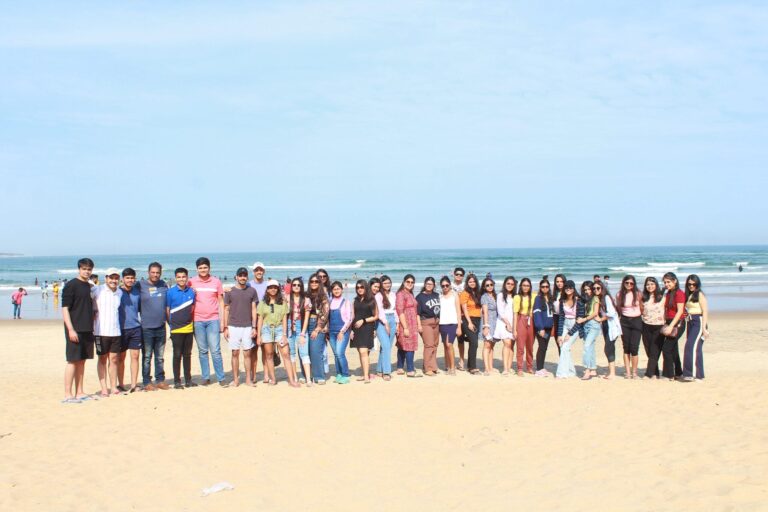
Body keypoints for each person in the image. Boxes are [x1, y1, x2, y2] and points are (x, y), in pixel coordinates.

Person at [61, 258, 95, 403]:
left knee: (82, 361)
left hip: (87, 328)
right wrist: (70, 329)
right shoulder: (71, 285)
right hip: (75, 328)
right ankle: (68, 394)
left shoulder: (89, 286)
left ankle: (79, 392)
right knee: (72, 361)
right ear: (79, 269)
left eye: (89, 269)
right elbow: (65, 308)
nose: (87, 272)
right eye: (84, 269)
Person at [189, 257, 227, 387]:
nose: (203, 270)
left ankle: (221, 377)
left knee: (215, 350)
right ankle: (206, 377)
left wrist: (222, 321)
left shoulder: (216, 282)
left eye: (205, 267)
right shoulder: (191, 282)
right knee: (202, 351)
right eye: (200, 268)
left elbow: (221, 302)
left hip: (213, 320)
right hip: (197, 320)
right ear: (197, 269)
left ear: (209, 268)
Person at [256, 279, 298, 387]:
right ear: (267, 289)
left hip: (279, 329)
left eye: (275, 287)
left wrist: (284, 334)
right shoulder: (262, 303)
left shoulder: (283, 302)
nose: (273, 289)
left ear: (278, 289)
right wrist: (259, 335)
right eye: (270, 287)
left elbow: (284, 319)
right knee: (269, 355)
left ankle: (291, 380)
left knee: (286, 354)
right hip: (266, 329)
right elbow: (260, 319)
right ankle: (273, 379)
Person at [223, 267, 259, 387]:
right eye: (240, 275)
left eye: (244, 275)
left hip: (247, 326)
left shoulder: (252, 291)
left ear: (247, 277)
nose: (242, 277)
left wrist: (254, 327)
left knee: (247, 353)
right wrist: (225, 327)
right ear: (236, 277)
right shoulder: (230, 292)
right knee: (235, 353)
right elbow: (226, 309)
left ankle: (248, 379)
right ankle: (236, 380)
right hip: (233, 326)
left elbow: (254, 309)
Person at [137, 262, 169, 391]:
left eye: (157, 272)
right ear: (148, 272)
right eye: (153, 272)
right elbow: (127, 290)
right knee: (147, 357)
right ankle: (146, 382)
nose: (155, 275)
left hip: (161, 326)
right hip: (146, 328)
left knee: (160, 357)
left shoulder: (164, 285)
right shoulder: (140, 285)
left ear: (160, 273)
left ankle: (160, 380)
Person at [92, 268, 123, 397]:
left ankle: (113, 387)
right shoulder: (97, 290)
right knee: (102, 359)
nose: (113, 281)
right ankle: (104, 388)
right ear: (106, 278)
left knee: (114, 359)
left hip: (116, 331)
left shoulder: (120, 292)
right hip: (100, 331)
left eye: (116, 278)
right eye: (111, 278)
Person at [166, 267, 198, 389]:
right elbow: (167, 310)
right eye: (179, 277)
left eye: (183, 277)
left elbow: (193, 308)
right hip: (176, 329)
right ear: (175, 278)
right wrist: (171, 325)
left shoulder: (192, 292)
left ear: (187, 277)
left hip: (189, 328)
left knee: (187, 354)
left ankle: (188, 380)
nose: (181, 279)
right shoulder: (170, 292)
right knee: (177, 355)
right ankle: (177, 381)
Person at [118, 268, 142, 392]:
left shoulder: (137, 292)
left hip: (136, 328)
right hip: (121, 329)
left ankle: (133, 384)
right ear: (123, 279)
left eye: (132, 278)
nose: (130, 280)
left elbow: (141, 309)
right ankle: (121, 384)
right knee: (121, 358)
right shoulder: (117, 292)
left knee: (135, 356)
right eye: (127, 278)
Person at [683, 274, 709, 381]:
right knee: (696, 348)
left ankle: (690, 374)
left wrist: (704, 328)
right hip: (690, 322)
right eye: (689, 284)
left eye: (694, 284)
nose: (691, 286)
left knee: (690, 346)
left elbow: (705, 311)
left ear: (697, 284)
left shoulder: (700, 294)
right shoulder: (689, 294)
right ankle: (699, 375)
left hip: (698, 322)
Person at [286, 277, 312, 385]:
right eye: (294, 285)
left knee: (304, 353)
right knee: (291, 354)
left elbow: (306, 318)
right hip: (289, 328)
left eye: (299, 285)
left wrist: (302, 333)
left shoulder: (306, 300)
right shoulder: (286, 298)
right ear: (291, 286)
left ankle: (308, 379)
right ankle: (295, 377)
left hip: (300, 326)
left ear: (301, 287)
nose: (296, 287)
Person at [617, 275, 643, 379]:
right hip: (624, 321)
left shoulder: (638, 293)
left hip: (636, 320)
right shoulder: (619, 294)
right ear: (624, 283)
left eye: (631, 283)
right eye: (627, 283)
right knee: (626, 347)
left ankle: (634, 372)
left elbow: (642, 307)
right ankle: (628, 372)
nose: (629, 285)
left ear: (634, 284)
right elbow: (618, 308)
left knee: (634, 348)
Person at [351, 279, 377, 383]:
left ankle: (366, 376)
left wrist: (363, 320)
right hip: (356, 329)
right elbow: (353, 317)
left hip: (367, 328)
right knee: (360, 352)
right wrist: (351, 330)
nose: (359, 289)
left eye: (362, 287)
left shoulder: (371, 300)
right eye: (357, 287)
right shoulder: (355, 300)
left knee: (364, 352)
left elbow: (376, 316)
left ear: (366, 288)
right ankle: (364, 373)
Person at [594, 280, 622, 379]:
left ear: (602, 288)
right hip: (606, 326)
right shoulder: (599, 299)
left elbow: (612, 313)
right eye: (594, 288)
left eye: (598, 288)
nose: (596, 290)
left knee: (608, 348)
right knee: (608, 348)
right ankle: (611, 371)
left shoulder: (606, 298)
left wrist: (601, 319)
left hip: (612, 326)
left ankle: (612, 373)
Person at [661, 272, 686, 381]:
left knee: (666, 348)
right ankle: (679, 372)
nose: (666, 284)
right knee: (673, 349)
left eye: (668, 282)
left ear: (675, 281)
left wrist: (671, 326)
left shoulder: (679, 293)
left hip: (678, 323)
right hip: (669, 322)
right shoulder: (668, 293)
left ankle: (669, 374)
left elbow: (680, 311)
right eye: (665, 282)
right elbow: (665, 308)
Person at [306, 273, 330, 384]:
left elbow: (325, 314)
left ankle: (319, 376)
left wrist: (317, 328)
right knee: (305, 351)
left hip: (318, 325)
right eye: (312, 281)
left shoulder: (323, 296)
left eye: (316, 281)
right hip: (305, 324)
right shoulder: (306, 295)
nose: (314, 283)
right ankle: (306, 375)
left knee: (316, 351)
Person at [396, 274, 421, 378]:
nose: (410, 284)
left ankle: (400, 367)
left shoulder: (410, 294)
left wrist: (418, 324)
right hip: (406, 323)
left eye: (412, 282)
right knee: (408, 345)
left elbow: (415, 310)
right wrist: (405, 327)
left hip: (413, 323)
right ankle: (410, 369)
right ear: (404, 282)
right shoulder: (401, 294)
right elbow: (400, 311)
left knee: (403, 344)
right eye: (408, 282)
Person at [328, 281, 352, 384]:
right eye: (334, 289)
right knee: (335, 354)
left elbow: (350, 319)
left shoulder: (346, 302)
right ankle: (339, 374)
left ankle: (345, 375)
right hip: (331, 332)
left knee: (340, 353)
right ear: (332, 291)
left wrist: (342, 331)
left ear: (341, 290)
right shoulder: (329, 302)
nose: (336, 291)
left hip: (342, 331)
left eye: (338, 289)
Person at [415, 276, 440, 376]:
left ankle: (433, 366)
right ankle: (427, 368)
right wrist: (419, 325)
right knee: (429, 344)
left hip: (436, 322)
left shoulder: (437, 295)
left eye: (431, 284)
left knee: (435, 344)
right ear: (424, 284)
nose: (429, 285)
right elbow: (417, 313)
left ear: (434, 285)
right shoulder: (420, 297)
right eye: (427, 284)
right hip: (425, 322)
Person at [555, 281, 580, 378]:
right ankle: (571, 371)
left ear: (573, 288)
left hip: (575, 325)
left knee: (565, 347)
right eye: (566, 288)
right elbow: (561, 318)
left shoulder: (579, 301)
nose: (568, 289)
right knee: (562, 346)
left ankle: (561, 374)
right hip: (565, 324)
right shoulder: (562, 301)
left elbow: (580, 320)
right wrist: (559, 335)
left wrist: (570, 334)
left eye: (570, 287)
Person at [375, 275, 398, 381]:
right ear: (381, 284)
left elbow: (395, 310)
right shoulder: (378, 295)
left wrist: (397, 323)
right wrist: (385, 323)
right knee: (386, 346)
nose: (387, 285)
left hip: (392, 319)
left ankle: (379, 369)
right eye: (384, 283)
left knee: (386, 347)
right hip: (381, 321)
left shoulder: (393, 294)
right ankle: (386, 372)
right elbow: (380, 311)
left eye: (389, 282)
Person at [641, 277, 665, 379]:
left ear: (656, 285)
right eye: (648, 284)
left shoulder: (662, 296)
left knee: (655, 350)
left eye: (652, 284)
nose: (650, 286)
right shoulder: (643, 297)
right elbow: (641, 310)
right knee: (649, 350)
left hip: (658, 326)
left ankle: (648, 373)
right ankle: (655, 373)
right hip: (645, 325)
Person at [576, 281, 601, 380]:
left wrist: (583, 319)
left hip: (593, 324)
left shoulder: (595, 298)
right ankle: (593, 369)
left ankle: (587, 370)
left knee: (586, 346)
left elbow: (595, 313)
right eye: (585, 289)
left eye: (589, 289)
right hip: (586, 325)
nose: (587, 291)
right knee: (590, 347)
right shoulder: (585, 299)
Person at [459, 273, 483, 375]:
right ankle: (472, 367)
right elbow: (464, 309)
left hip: (477, 319)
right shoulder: (464, 293)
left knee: (473, 343)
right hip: (467, 319)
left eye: (473, 281)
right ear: (467, 283)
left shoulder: (478, 293)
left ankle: (470, 365)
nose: (472, 283)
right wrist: (469, 322)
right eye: (470, 282)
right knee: (474, 343)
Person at [438, 276, 462, 375]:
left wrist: (459, 327)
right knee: (445, 345)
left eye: (447, 285)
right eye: (443, 286)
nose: (445, 287)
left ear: (450, 285)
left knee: (449, 344)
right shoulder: (439, 296)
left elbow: (458, 311)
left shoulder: (454, 295)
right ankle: (447, 366)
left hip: (453, 323)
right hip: (442, 324)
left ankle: (453, 368)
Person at [513, 278, 536, 376]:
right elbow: (515, 314)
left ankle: (530, 367)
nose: (526, 287)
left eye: (527, 285)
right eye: (524, 285)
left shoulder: (534, 296)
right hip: (521, 320)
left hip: (531, 321)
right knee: (520, 346)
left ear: (530, 287)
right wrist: (514, 329)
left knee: (530, 346)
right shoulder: (517, 297)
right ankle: (520, 368)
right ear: (521, 286)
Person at [533, 279, 555, 377]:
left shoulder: (550, 298)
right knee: (541, 347)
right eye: (543, 287)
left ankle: (541, 367)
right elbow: (536, 313)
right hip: (541, 328)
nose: (545, 288)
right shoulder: (538, 298)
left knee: (545, 347)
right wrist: (540, 328)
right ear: (540, 287)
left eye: (547, 286)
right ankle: (538, 369)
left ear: (549, 287)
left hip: (549, 328)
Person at [495, 277, 516, 375]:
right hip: (503, 322)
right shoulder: (500, 295)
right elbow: (500, 311)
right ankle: (505, 368)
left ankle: (509, 366)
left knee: (512, 345)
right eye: (508, 283)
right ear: (504, 284)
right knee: (507, 343)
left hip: (514, 322)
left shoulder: (516, 296)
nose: (510, 285)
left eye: (512, 284)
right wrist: (507, 324)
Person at [480, 277, 499, 376]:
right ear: (484, 287)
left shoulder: (496, 295)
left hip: (496, 322)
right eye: (487, 285)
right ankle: (486, 368)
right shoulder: (484, 297)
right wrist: (486, 326)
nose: (489, 286)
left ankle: (491, 367)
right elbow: (485, 312)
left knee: (492, 345)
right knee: (487, 345)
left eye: (491, 285)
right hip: (488, 322)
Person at [451, 267, 467, 369]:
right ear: (453, 274)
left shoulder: (465, 285)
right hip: (452, 314)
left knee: (461, 340)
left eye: (461, 275)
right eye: (457, 274)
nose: (459, 276)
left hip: (463, 315)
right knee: (450, 341)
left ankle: (461, 360)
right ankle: (450, 362)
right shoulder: (449, 285)